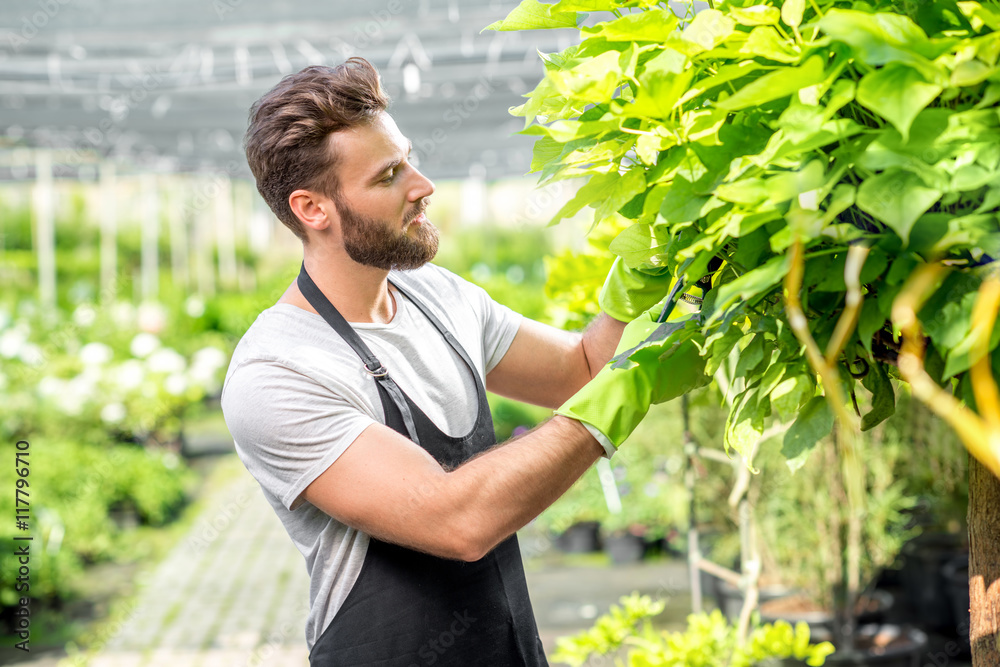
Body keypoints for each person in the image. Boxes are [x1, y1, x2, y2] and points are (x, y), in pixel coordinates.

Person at [221, 57, 702, 666]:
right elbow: (458, 521)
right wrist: (626, 388)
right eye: (388, 175)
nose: (421, 186)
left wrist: (631, 284)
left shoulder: (438, 297)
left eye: (409, 159)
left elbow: (581, 370)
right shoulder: (278, 372)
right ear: (313, 209)